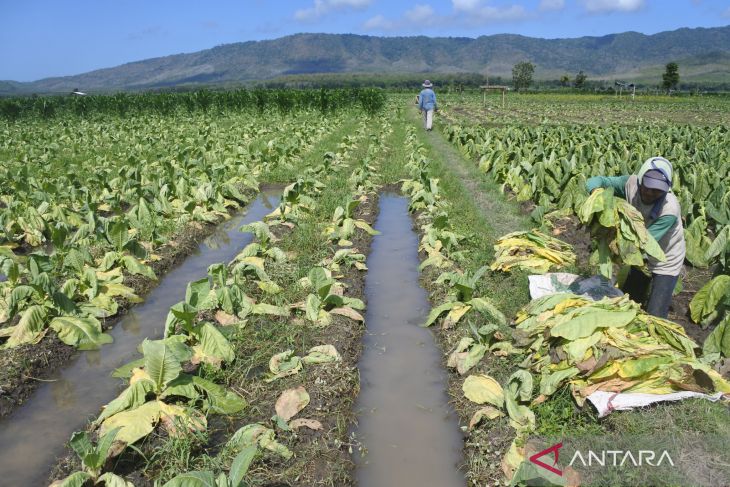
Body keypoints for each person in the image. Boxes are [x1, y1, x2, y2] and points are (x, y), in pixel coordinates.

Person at [585, 156, 686, 318]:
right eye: (647, 186)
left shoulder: (669, 210)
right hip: (640, 257)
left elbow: (643, 242)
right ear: (641, 180)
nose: (650, 193)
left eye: (657, 190)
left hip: (666, 259)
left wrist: (611, 242)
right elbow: (595, 181)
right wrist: (597, 195)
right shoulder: (630, 183)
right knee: (630, 301)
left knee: (655, 314)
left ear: (665, 189)